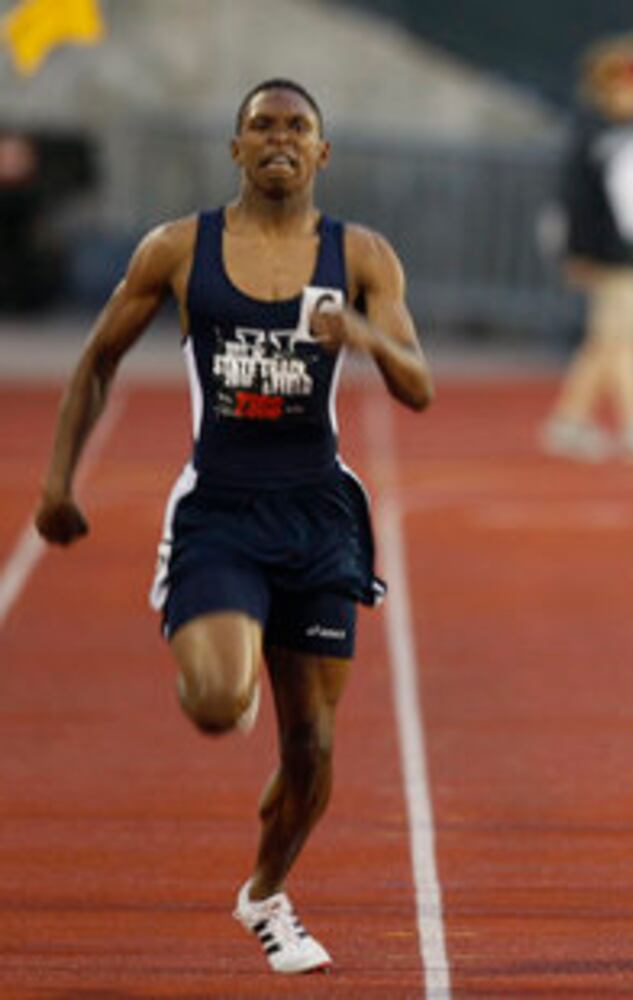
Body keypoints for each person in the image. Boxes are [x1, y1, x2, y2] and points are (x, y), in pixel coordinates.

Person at [33, 79, 433, 973]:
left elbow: (418, 386)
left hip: (319, 514)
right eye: (262, 126)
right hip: (219, 509)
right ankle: (234, 661)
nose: (279, 139)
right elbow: (97, 361)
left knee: (312, 749)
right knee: (219, 707)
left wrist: (362, 337)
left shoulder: (362, 255)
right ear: (236, 147)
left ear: (322, 152)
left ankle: (264, 894)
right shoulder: (180, 248)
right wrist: (58, 483)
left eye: (297, 127)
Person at [542, 33, 633, 460]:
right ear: (611, 86)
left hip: (617, 253)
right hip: (620, 256)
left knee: (606, 341)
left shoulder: (604, 132)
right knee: (627, 339)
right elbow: (589, 203)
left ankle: (569, 420)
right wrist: (577, 253)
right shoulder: (609, 137)